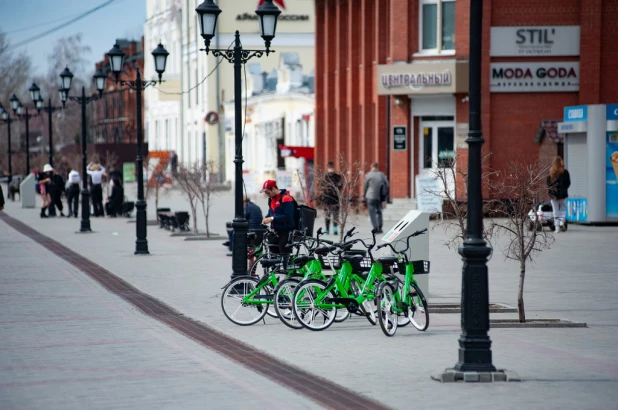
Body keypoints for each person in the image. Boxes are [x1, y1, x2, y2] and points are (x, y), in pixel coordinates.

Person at [261, 179, 296, 254]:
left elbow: (288, 217)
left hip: (285, 232)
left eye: (268, 192)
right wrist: (266, 218)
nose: (267, 195)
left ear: (273, 188)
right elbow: (271, 213)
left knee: (284, 257)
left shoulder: (286, 198)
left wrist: (272, 218)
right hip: (275, 232)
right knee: (273, 257)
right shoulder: (271, 199)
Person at [547, 156, 571, 233]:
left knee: (555, 211)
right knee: (563, 209)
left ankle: (557, 227)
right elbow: (568, 183)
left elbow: (548, 184)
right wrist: (563, 189)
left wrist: (552, 191)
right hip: (563, 194)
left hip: (553, 195)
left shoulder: (551, 172)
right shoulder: (565, 172)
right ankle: (561, 222)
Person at [364, 162, 389, 233]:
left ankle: (375, 227)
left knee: (372, 213)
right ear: (377, 167)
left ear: (371, 166)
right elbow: (386, 185)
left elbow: (365, 186)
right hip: (379, 196)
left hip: (370, 196)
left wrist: (364, 194)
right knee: (379, 212)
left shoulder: (368, 175)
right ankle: (380, 227)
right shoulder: (381, 175)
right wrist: (385, 196)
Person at [320, 161, 342, 235]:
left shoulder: (337, 176)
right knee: (327, 214)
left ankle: (335, 228)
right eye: (330, 168)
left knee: (335, 214)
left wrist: (337, 186)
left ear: (334, 168)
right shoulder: (325, 177)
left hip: (335, 198)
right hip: (327, 198)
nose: (331, 169)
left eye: (332, 168)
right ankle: (327, 229)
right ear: (328, 168)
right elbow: (321, 186)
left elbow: (341, 186)